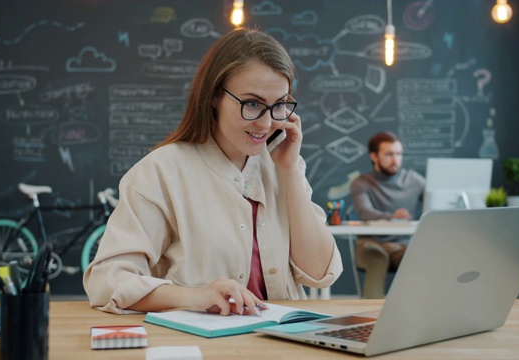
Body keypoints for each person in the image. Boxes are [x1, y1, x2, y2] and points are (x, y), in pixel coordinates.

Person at [83, 28, 343, 315]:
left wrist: (290, 171)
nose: (267, 123)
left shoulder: (284, 164)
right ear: (213, 97)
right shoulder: (161, 172)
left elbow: (320, 273)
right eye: (252, 103)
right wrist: (194, 296)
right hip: (200, 347)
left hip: (284, 344)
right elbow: (106, 280)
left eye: (279, 105)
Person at [349, 131, 425, 299]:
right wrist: (392, 216)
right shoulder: (361, 183)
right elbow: (364, 212)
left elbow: (434, 202)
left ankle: (414, 312)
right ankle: (370, 318)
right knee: (377, 259)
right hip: (370, 244)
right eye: (389, 154)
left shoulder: (414, 180)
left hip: (402, 245)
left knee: (419, 257)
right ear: (374, 156)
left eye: (398, 154)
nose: (395, 159)